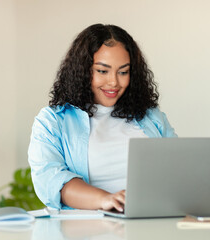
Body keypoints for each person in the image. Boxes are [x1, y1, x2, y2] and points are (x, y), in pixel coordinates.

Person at [28, 24, 177, 212]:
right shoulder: (52, 121)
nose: (114, 82)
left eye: (123, 72)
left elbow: (178, 169)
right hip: (88, 228)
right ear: (82, 70)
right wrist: (106, 200)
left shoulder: (151, 117)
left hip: (150, 222)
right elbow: (50, 180)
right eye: (102, 71)